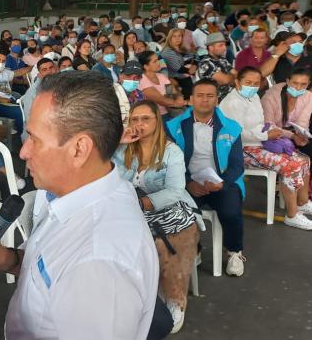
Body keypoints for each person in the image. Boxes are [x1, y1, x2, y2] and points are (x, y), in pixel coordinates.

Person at [0, 71, 159, 340]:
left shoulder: (98, 266)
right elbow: (55, 272)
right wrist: (14, 259)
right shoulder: (69, 195)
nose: (23, 152)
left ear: (79, 149)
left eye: (34, 139)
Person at [114, 100, 201, 334]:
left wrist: (142, 203)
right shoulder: (122, 149)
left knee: (165, 243)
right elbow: (103, 175)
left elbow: (174, 190)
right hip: (127, 210)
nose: (139, 124)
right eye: (135, 119)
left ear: (157, 121)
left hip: (166, 207)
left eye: (146, 119)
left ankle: (175, 300)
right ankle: (130, 298)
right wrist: (118, 142)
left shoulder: (171, 151)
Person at [165, 79, 247, 277]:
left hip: (222, 181)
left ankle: (234, 251)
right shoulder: (174, 126)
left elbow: (237, 163)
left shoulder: (231, 127)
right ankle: (196, 248)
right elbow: (168, 162)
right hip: (187, 182)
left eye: (210, 96)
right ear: (191, 99)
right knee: (182, 213)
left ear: (217, 100)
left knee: (231, 213)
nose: (205, 100)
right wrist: (188, 183)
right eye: (200, 95)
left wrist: (223, 183)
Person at [221, 67, 312, 228]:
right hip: (239, 150)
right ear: (237, 82)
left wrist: (277, 133)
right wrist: (266, 136)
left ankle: (302, 202)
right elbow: (237, 134)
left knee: (303, 159)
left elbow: (262, 124)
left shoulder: (254, 96)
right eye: (248, 82)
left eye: (256, 83)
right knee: (291, 164)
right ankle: (292, 214)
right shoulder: (233, 102)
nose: (253, 86)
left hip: (257, 144)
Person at [262, 68, 312, 162]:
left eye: (303, 84)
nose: (298, 87)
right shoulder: (271, 96)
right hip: (271, 135)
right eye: (295, 83)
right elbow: (268, 125)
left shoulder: (309, 96)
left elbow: (302, 122)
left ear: (308, 84)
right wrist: (292, 136)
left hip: (292, 134)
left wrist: (301, 135)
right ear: (288, 81)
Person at [198, 32, 236, 101]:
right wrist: (232, 78)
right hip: (219, 102)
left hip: (232, 97)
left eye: (225, 45)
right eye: (221, 45)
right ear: (211, 48)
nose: (225, 48)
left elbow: (236, 74)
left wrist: (229, 78)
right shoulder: (205, 63)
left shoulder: (222, 59)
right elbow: (226, 80)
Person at [161, 29, 197, 99]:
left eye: (179, 36)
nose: (177, 38)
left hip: (187, 74)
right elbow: (180, 69)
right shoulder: (168, 52)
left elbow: (194, 58)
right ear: (169, 38)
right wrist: (193, 67)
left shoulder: (182, 48)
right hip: (176, 78)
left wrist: (194, 65)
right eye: (174, 36)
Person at [115, 61, 146, 125]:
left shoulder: (140, 94)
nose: (132, 80)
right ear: (121, 77)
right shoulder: (114, 94)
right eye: (128, 76)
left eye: (137, 77)